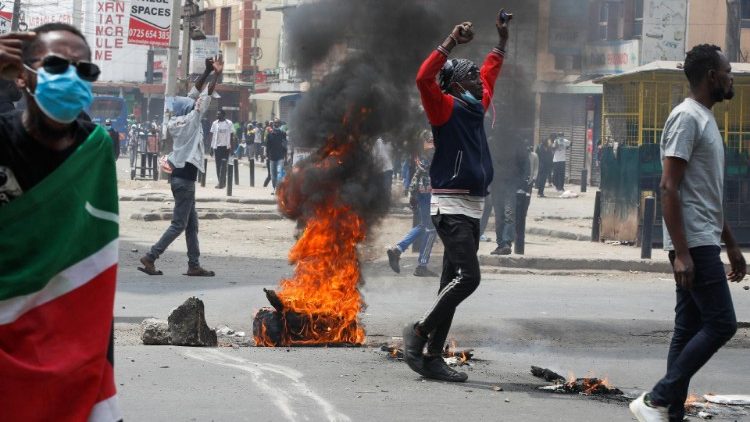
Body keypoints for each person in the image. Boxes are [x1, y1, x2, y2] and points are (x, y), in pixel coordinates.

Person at [0, 24, 122, 420]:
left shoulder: (95, 149)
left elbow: (96, 264)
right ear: (22, 74)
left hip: (75, 347)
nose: (70, 78)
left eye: (84, 70)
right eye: (54, 65)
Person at [629, 44, 746, 422]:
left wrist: (731, 245)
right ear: (712, 76)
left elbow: (707, 195)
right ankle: (657, 398)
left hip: (704, 239)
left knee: (688, 328)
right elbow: (668, 187)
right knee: (722, 323)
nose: (732, 77)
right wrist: (681, 253)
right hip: (692, 242)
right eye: (728, 71)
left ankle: (669, 412)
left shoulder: (706, 119)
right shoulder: (686, 118)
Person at [403, 13, 508, 383]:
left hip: (473, 208)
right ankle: (418, 334)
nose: (480, 82)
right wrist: (450, 40)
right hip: (450, 207)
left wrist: (501, 42)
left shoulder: (475, 107)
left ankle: (433, 357)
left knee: (451, 281)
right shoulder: (443, 106)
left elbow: (491, 74)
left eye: (479, 78)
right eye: (471, 77)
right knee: (468, 278)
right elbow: (423, 78)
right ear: (455, 84)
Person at [138, 56, 223, 277]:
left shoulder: (177, 120)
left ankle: (194, 265)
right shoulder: (192, 120)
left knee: (191, 225)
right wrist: (216, 74)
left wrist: (205, 72)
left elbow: (193, 96)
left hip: (180, 178)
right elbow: (203, 99)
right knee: (179, 225)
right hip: (185, 181)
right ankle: (151, 256)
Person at [387, 135, 438, 277]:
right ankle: (422, 265)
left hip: (422, 192)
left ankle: (398, 249)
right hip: (430, 192)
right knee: (431, 229)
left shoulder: (422, 141)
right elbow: (426, 165)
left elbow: (418, 170)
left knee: (424, 225)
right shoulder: (432, 141)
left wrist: (412, 191)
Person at [480, 135, 528, 255]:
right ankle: (501, 244)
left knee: (509, 214)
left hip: (510, 183)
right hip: (496, 183)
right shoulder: (491, 141)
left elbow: (524, 161)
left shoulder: (516, 141)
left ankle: (506, 243)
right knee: (500, 215)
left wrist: (521, 182)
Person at [210, 109, 233, 188]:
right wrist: (211, 148)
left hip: (226, 147)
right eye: (217, 114)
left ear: (223, 115)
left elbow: (232, 136)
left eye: (218, 114)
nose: (217, 116)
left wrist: (231, 148)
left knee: (224, 165)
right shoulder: (214, 123)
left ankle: (223, 182)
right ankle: (220, 182)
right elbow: (212, 136)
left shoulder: (229, 123)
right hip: (217, 147)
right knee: (218, 165)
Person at [266, 119, 287, 194]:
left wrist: (286, 157)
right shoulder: (270, 134)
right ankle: (274, 188)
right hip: (272, 157)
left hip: (280, 157)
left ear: (280, 124)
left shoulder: (283, 134)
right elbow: (267, 146)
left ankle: (278, 190)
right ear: (273, 124)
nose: (276, 124)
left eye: (277, 123)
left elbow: (285, 146)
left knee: (279, 174)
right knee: (273, 175)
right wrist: (267, 156)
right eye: (275, 123)